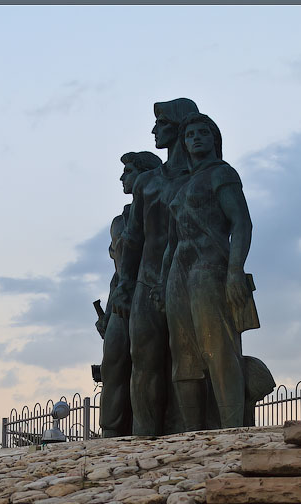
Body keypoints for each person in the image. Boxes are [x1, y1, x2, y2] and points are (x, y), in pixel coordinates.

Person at [160, 113, 260, 430]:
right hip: (179, 271)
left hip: (209, 265)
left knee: (219, 350)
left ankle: (231, 429)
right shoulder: (181, 186)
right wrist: (162, 284)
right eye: (190, 135)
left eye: (203, 132)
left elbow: (241, 223)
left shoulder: (222, 173)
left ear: (214, 139)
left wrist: (235, 270)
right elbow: (171, 242)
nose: (196, 138)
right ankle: (190, 435)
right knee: (184, 356)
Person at [111, 98, 200, 436]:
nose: (154, 130)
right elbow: (133, 238)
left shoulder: (201, 178)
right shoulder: (147, 182)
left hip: (186, 282)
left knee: (188, 362)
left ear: (179, 126)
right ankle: (143, 438)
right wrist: (125, 285)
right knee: (144, 363)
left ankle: (190, 436)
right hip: (146, 284)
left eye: (161, 123)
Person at [97, 151, 162, 437]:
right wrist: (109, 310)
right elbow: (120, 270)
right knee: (113, 363)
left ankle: (143, 430)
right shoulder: (121, 220)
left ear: (145, 175)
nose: (122, 177)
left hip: (149, 294)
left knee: (145, 366)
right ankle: (111, 432)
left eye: (129, 171)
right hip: (122, 298)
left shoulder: (159, 211)